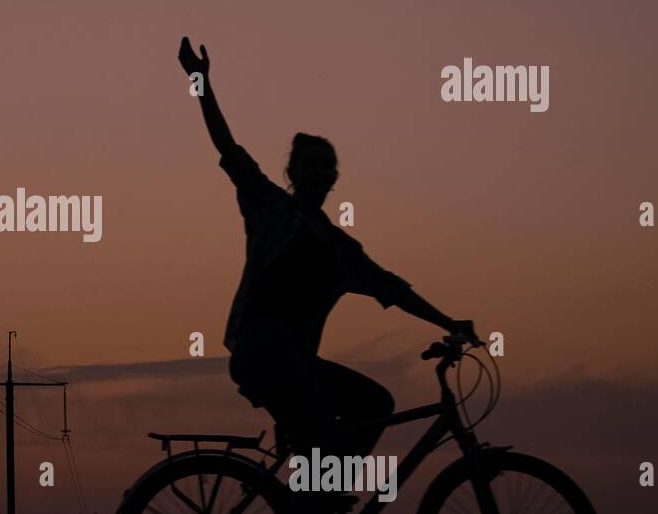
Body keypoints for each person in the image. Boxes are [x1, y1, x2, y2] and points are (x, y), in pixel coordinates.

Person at [178, 36, 476, 464]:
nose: (319, 172)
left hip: (296, 363)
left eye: (326, 165)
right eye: (310, 164)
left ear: (335, 177)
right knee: (338, 431)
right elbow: (229, 148)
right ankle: (316, 504)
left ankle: (320, 501)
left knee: (370, 407)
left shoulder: (340, 249)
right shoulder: (271, 209)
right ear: (292, 172)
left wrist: (448, 321)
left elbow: (391, 287)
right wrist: (199, 81)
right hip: (261, 356)